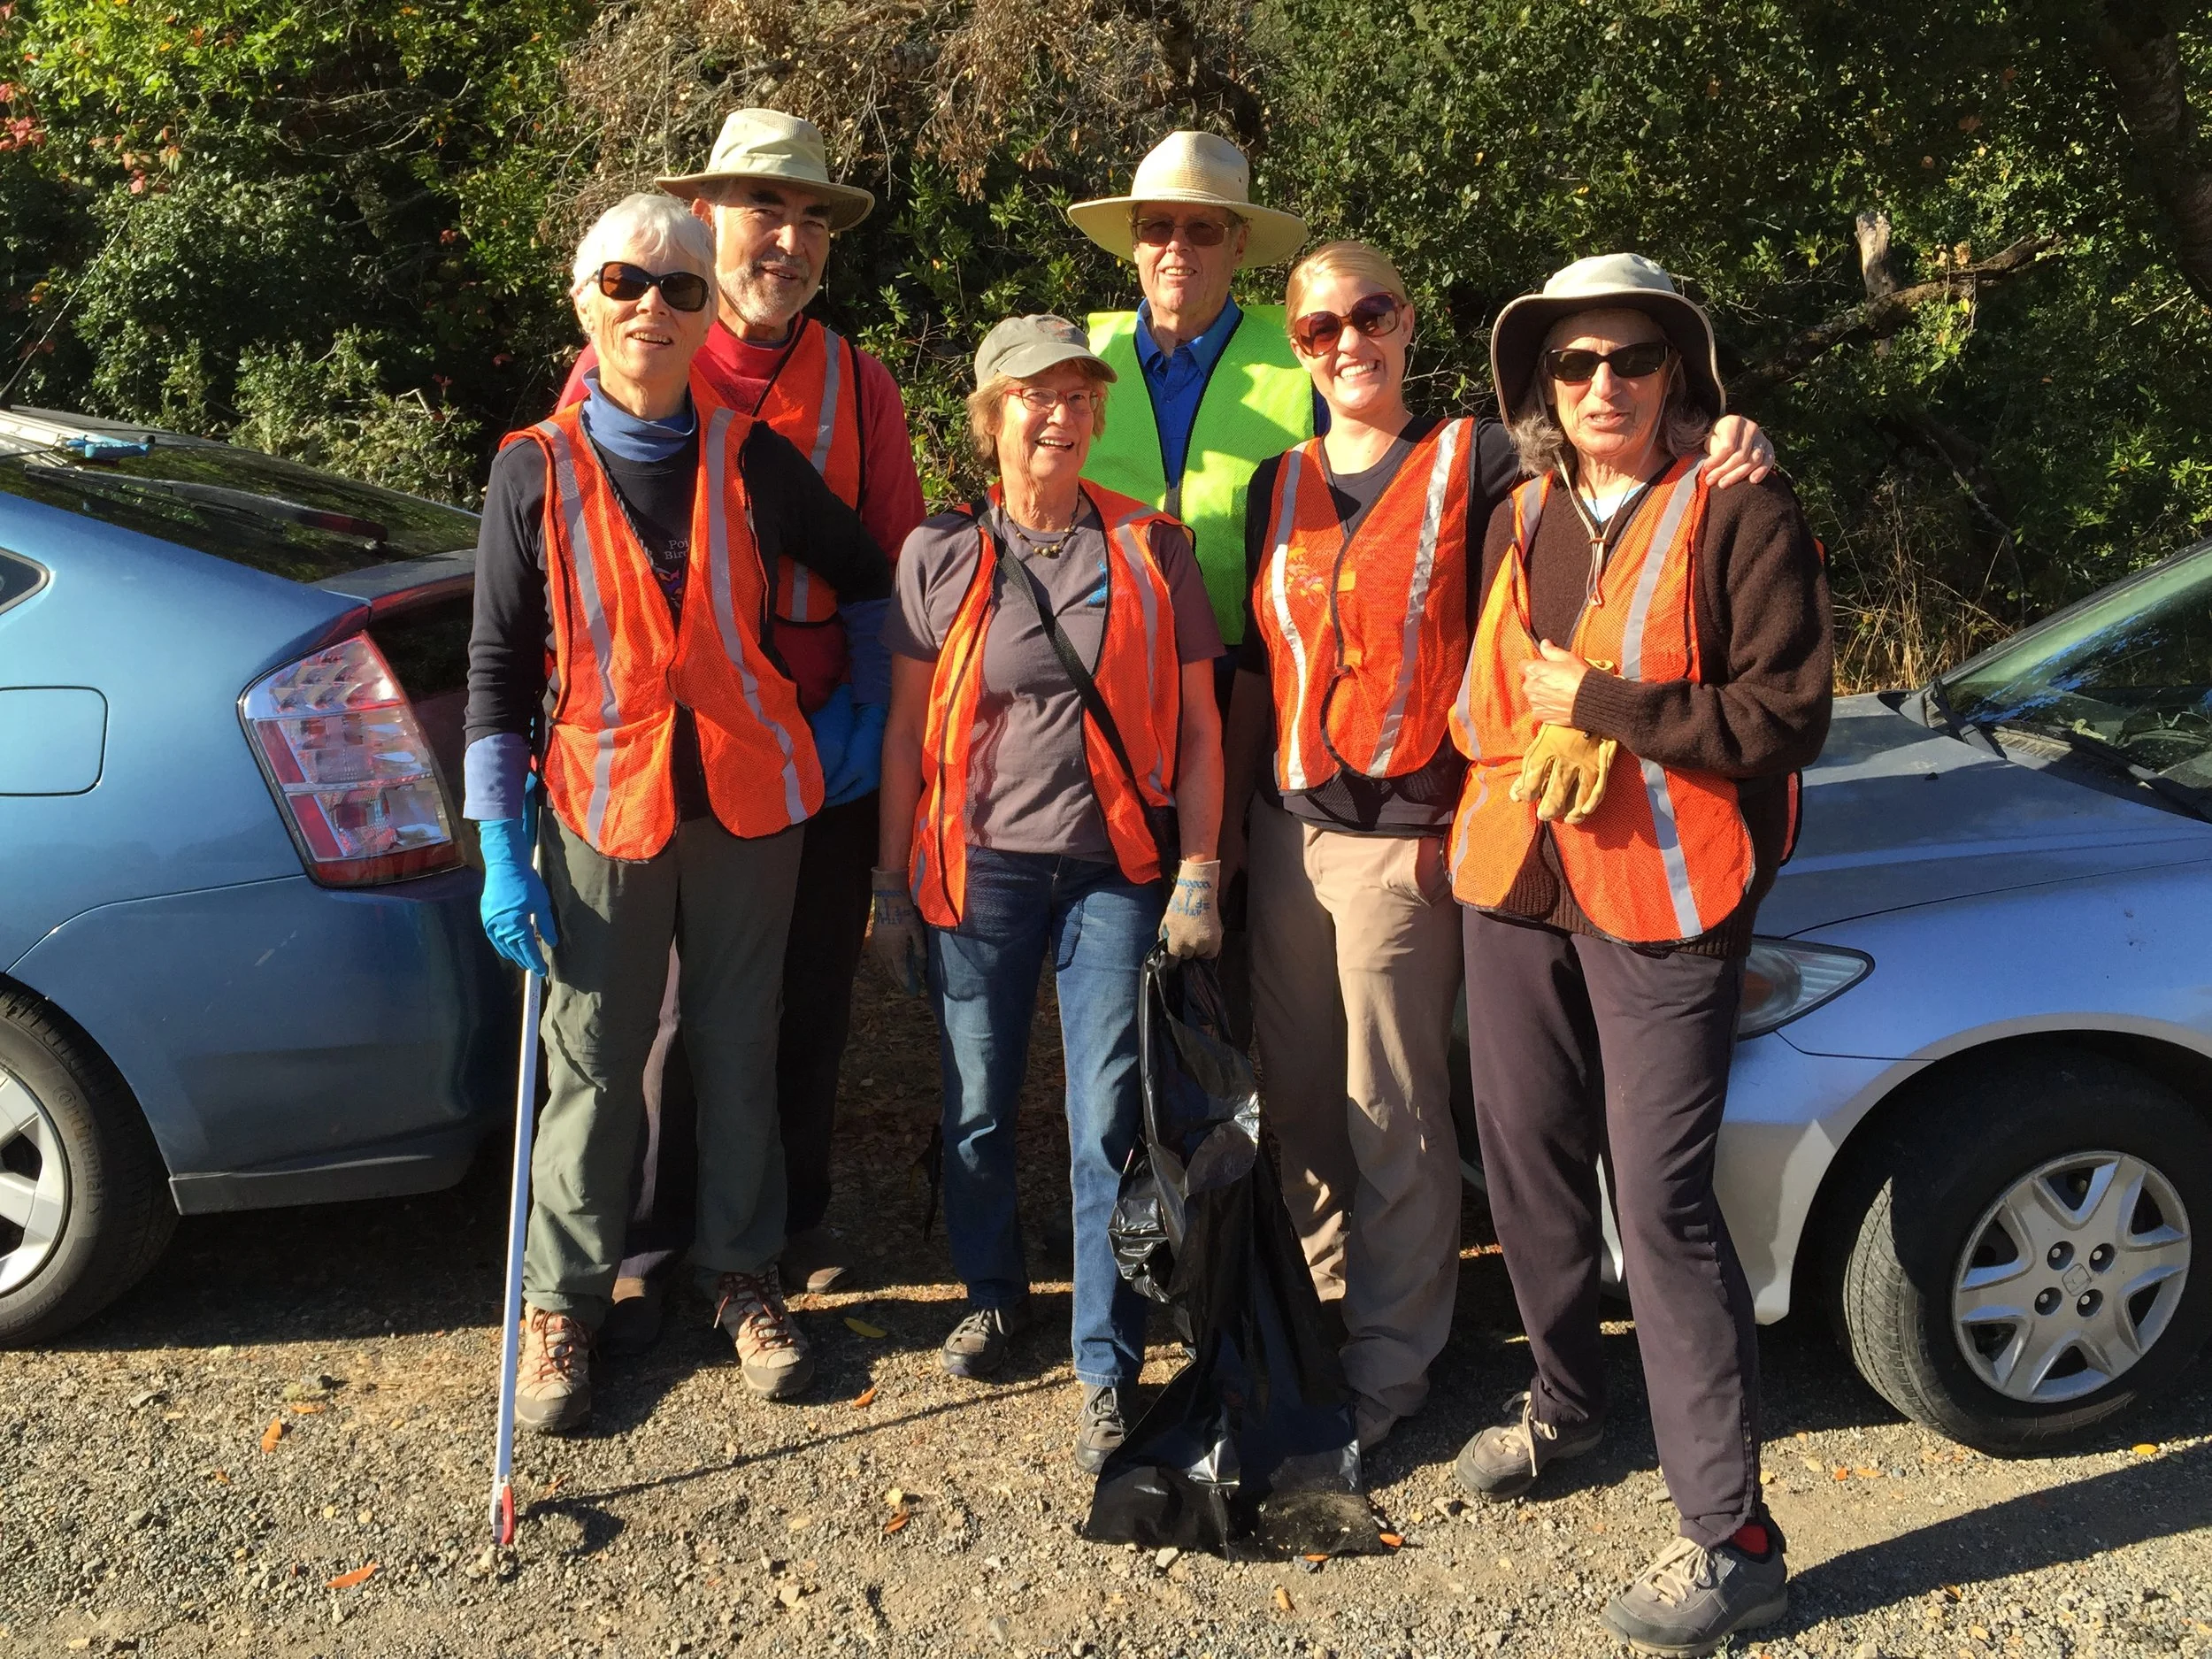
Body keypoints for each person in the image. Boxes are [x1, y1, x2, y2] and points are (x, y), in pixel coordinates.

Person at [1219, 242, 1777, 1455]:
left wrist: (1742, 441)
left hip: (1414, 843)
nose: (1347, 340)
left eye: (1370, 313)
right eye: (1320, 326)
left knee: (1394, 1112)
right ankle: (1318, 1328)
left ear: (1409, 323)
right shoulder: (1271, 483)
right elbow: (1259, 674)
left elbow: (1624, 513)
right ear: (1295, 344)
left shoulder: (1475, 461)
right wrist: (1223, 848)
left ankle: (1390, 1361)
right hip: (1295, 836)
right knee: (1305, 1106)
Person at [1447, 253, 1832, 1655]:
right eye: (1575, 363)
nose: (1603, 385)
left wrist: (1606, 701)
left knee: (1660, 1203)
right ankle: (1566, 1403)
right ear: (1539, 385)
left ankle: (1737, 1542)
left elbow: (1787, 717)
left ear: (1684, 375)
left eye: (1635, 360)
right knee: (1529, 1160)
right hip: (1519, 881)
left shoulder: (1739, 500)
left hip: (1672, 898)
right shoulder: (1521, 504)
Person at [464, 193, 893, 1432]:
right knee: (592, 1062)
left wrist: (858, 719)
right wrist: (503, 844)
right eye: (626, 283)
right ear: (583, 297)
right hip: (598, 804)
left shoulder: (749, 449)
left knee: (736, 1045)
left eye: (681, 289)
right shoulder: (528, 469)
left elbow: (868, 576)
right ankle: (564, 1303)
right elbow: (496, 671)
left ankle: (742, 1275)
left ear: (708, 308)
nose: (653, 307)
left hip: (754, 802)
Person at [560, 110, 928, 1342]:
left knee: (805, 993)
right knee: (664, 1010)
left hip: (816, 743)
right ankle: (655, 1237)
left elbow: (894, 562)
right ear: (706, 219)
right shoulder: (641, 347)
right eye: (767, 210)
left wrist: (870, 723)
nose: (791, 237)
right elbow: (561, 549)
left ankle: (782, 1225)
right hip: (658, 755)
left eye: (812, 217)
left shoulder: (859, 379)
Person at [869, 316, 1226, 1471]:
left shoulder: (1153, 547)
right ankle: (991, 1288)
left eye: (1079, 393)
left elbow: (1206, 729)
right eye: (1035, 395)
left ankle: (1106, 1357)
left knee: (1109, 1116)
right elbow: (910, 735)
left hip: (1113, 867)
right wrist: (884, 883)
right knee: (975, 1099)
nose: (1060, 413)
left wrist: (1201, 869)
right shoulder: (942, 548)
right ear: (992, 417)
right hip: (980, 866)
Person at [1070, 128, 1312, 686]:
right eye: (1156, 226)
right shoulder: (1079, 364)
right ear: (1136, 243)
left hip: (1259, 675)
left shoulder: (1306, 363)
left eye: (1202, 228)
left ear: (1239, 243)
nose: (1176, 247)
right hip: (1108, 662)